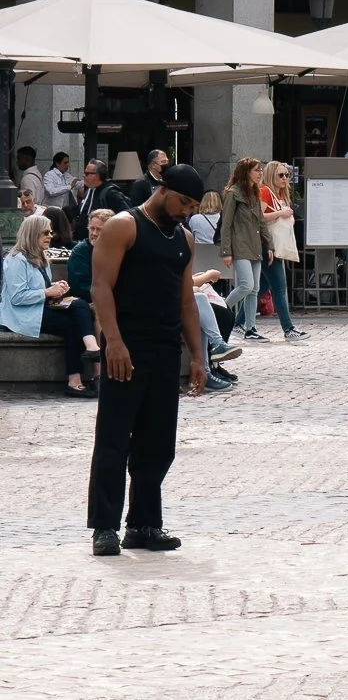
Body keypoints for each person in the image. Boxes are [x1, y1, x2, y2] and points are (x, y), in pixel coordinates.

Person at [87, 162, 207, 555]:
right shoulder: (124, 225)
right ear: (162, 188)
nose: (186, 210)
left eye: (192, 206)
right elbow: (101, 287)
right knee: (114, 438)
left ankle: (143, 524)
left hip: (165, 348)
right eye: (183, 202)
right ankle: (104, 527)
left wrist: (197, 356)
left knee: (158, 443)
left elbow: (187, 302)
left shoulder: (184, 239)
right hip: (127, 345)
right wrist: (113, 342)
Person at [1, 211, 100, 395]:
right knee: (75, 318)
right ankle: (90, 352)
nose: (50, 236)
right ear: (32, 233)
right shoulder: (16, 259)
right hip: (22, 315)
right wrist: (48, 291)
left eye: (50, 232)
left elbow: (40, 287)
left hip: (40, 308)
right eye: (45, 233)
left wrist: (56, 287)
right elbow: (17, 297)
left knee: (79, 307)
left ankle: (77, 375)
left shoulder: (41, 257)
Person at [259, 160, 310, 343]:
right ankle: (288, 328)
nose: (284, 178)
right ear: (271, 175)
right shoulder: (265, 191)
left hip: (276, 247)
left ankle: (238, 322)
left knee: (261, 288)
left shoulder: (281, 194)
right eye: (280, 175)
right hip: (269, 246)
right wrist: (281, 214)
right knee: (279, 288)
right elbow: (260, 217)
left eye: (286, 175)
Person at [219, 156, 268, 340]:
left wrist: (268, 245)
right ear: (246, 172)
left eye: (261, 170)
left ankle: (250, 328)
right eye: (257, 170)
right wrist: (226, 251)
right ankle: (220, 308)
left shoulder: (255, 192)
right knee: (246, 285)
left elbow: (261, 222)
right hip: (240, 246)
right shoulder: (233, 193)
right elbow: (226, 224)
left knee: (254, 289)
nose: (260, 173)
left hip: (255, 246)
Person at [68, 207, 115, 302]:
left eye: (99, 230)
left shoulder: (118, 249)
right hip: (88, 301)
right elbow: (80, 286)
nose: (94, 233)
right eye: (92, 228)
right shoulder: (80, 251)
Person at [41, 151, 76, 229]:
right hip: (51, 211)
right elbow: (51, 191)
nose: (67, 165)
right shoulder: (49, 175)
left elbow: (76, 184)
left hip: (64, 212)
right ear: (57, 163)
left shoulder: (66, 175)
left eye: (68, 163)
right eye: (65, 163)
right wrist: (68, 187)